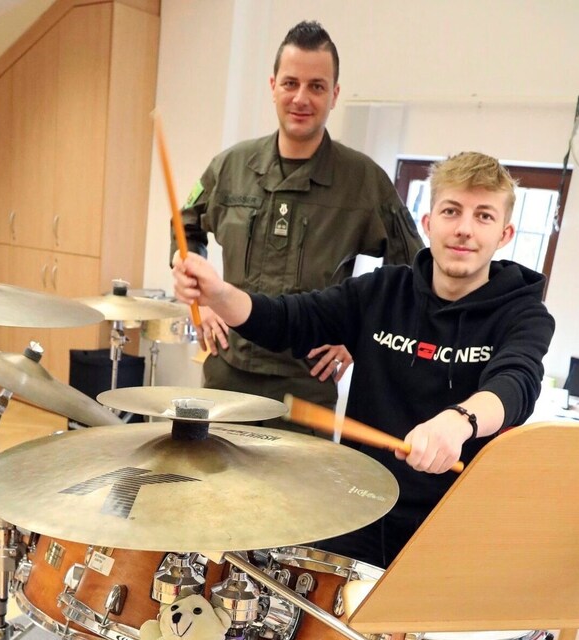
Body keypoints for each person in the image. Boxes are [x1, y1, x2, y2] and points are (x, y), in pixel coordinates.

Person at [173, 151, 556, 640]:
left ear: (505, 230)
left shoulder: (522, 310)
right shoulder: (385, 291)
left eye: (483, 217)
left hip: (459, 521)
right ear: (428, 215)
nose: (464, 229)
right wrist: (224, 293)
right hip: (367, 507)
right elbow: (292, 317)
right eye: (452, 211)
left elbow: (517, 379)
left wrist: (461, 419)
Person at [174, 19, 422, 418]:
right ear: (273, 86)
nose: (301, 98)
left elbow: (411, 271)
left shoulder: (362, 181)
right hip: (227, 372)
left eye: (316, 86)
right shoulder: (230, 167)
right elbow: (184, 229)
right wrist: (200, 303)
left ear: (334, 94)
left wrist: (356, 338)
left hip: (306, 385)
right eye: (291, 83)